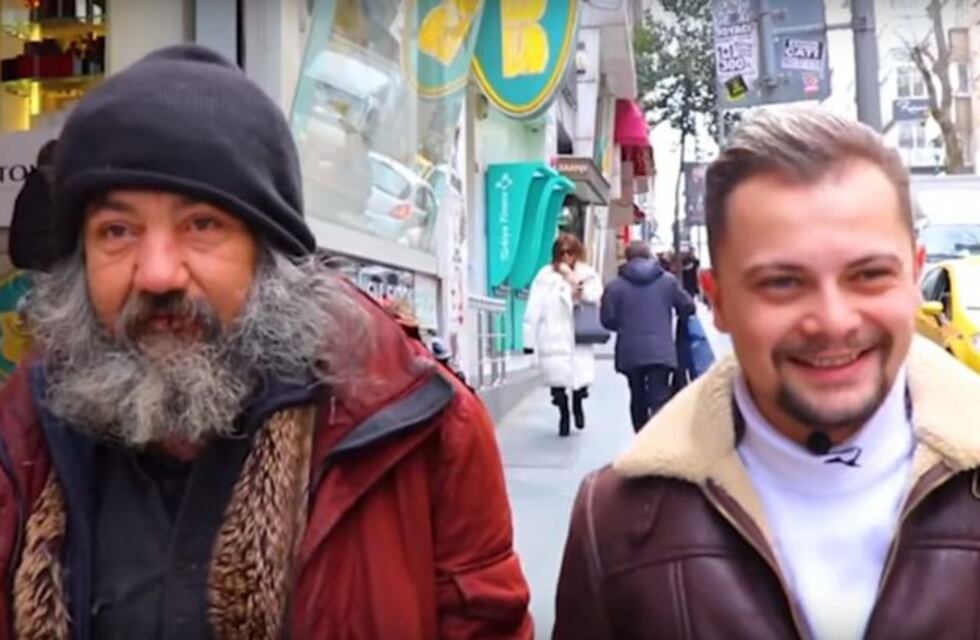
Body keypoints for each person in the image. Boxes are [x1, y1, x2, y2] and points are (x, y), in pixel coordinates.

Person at [0, 45, 532, 639]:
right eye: (116, 231)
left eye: (202, 225)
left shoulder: (419, 427)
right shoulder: (23, 433)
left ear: (268, 253)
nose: (155, 274)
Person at [554, 106, 980, 639]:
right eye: (782, 283)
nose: (832, 321)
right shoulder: (615, 523)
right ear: (717, 301)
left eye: (869, 275)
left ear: (914, 277)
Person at [599, 240, 694, 431]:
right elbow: (688, 306)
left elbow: (607, 320)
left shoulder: (614, 286)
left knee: (637, 395)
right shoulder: (668, 281)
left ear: (627, 258)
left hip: (630, 351)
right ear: (649, 256)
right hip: (661, 351)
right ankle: (656, 439)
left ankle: (640, 436)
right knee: (659, 395)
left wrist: (626, 325)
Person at [523, 233, 602, 437]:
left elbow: (595, 295)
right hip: (553, 333)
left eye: (570, 252)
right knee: (557, 383)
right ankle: (564, 414)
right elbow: (534, 308)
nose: (566, 257)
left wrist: (576, 285)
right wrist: (528, 340)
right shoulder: (545, 276)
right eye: (562, 253)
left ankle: (577, 404)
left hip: (578, 334)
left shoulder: (587, 273)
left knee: (580, 380)